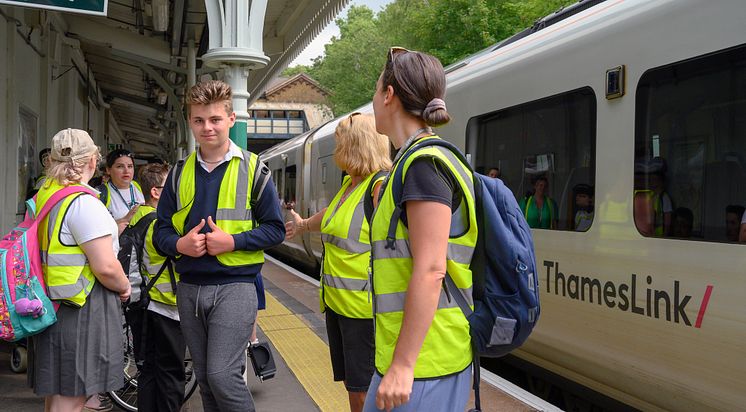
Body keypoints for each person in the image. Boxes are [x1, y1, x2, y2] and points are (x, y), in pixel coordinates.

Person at [154, 80, 285, 412]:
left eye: (214, 119)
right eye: (199, 120)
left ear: (231, 119)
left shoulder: (255, 170)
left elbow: (275, 230)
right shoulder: (177, 174)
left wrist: (233, 242)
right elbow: (160, 233)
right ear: (191, 122)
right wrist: (179, 244)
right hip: (189, 288)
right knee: (206, 379)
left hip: (236, 287)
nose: (207, 127)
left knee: (222, 375)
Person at [364, 47, 475, 412]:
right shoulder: (410, 164)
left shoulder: (424, 165)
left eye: (376, 88)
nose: (374, 99)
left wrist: (403, 366)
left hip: (425, 363)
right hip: (414, 358)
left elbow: (431, 270)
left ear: (389, 95)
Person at [285, 112, 391, 412]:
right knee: (353, 385)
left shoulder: (379, 188)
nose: (335, 149)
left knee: (364, 388)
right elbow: (332, 216)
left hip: (364, 310)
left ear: (355, 145)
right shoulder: (350, 185)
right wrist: (304, 224)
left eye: (339, 142)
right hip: (338, 304)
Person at [29, 128, 131, 412]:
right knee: (73, 395)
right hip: (80, 306)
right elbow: (106, 267)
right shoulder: (83, 203)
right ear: (91, 162)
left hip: (52, 302)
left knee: (59, 392)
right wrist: (124, 286)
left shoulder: (45, 197)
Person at [132, 163, 187, 412]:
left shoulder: (137, 216)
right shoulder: (158, 224)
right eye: (171, 187)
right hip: (167, 306)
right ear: (156, 192)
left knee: (149, 371)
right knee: (171, 375)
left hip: (144, 304)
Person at [100, 148, 145, 234]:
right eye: (120, 166)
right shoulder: (101, 194)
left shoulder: (138, 186)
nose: (126, 171)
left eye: (130, 166)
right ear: (108, 170)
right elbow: (96, 229)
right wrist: (124, 219)